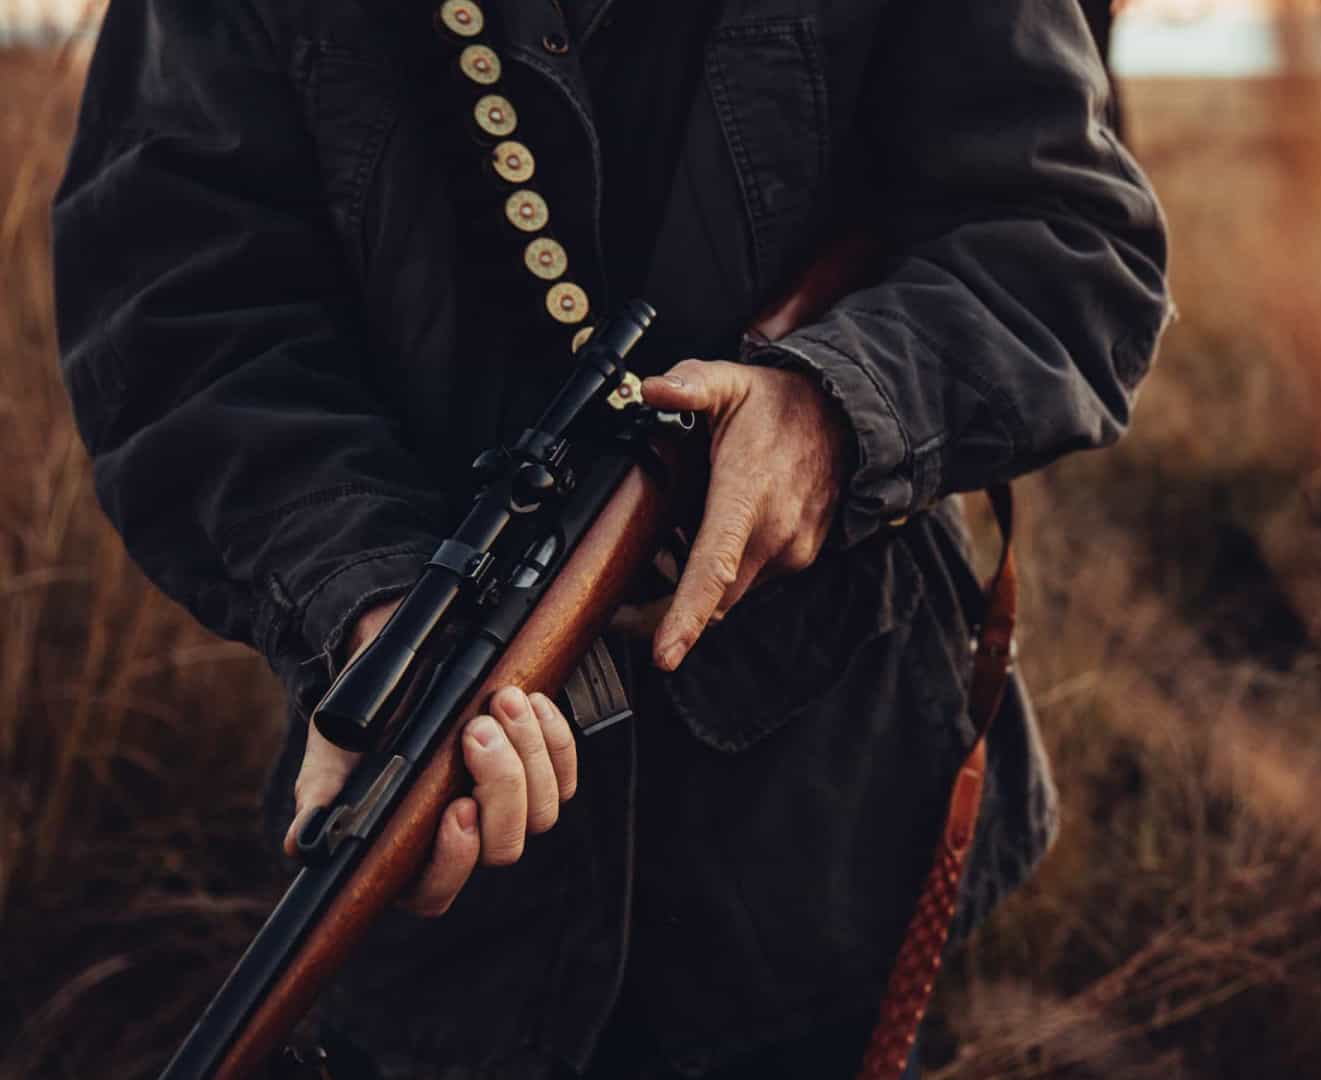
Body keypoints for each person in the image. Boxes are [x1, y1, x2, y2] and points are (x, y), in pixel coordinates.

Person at [53, 0, 1168, 1076]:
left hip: (828, 831)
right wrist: (365, 602)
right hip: (452, 942)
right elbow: (179, 316)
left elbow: (1072, 241)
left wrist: (831, 412)